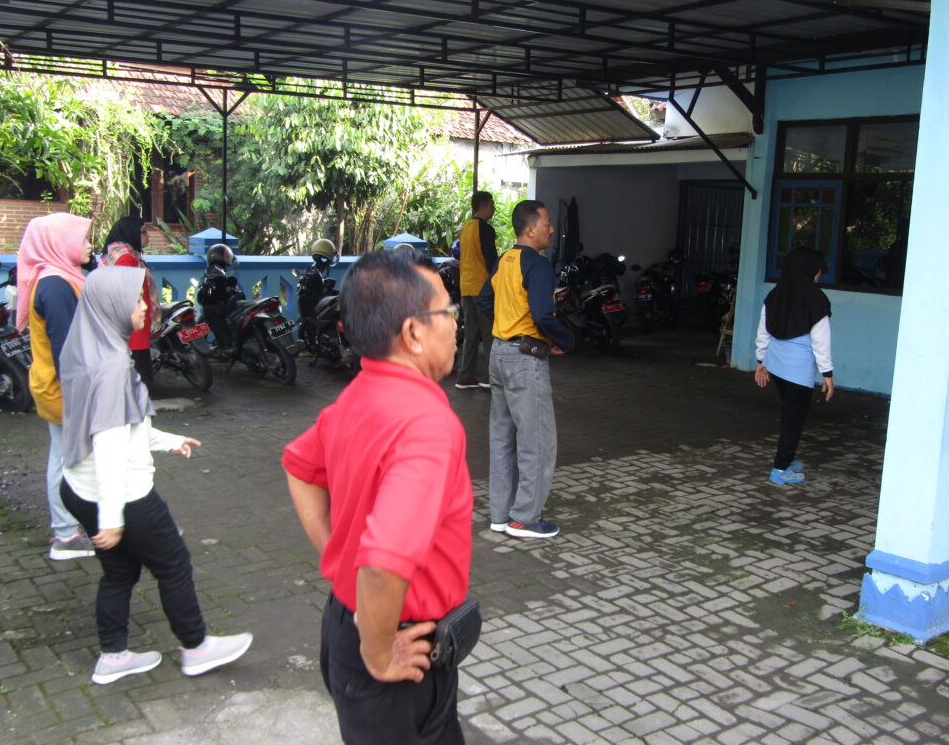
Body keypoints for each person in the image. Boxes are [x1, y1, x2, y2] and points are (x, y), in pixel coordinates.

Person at [283, 248, 473, 745]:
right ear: (413, 333)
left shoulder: (357, 395)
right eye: (448, 310)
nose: (456, 322)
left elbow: (300, 469)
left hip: (349, 628)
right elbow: (383, 561)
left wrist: (337, 555)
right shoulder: (427, 424)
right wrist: (378, 650)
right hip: (394, 652)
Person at [58, 266, 253, 685]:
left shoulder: (87, 350)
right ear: (112, 305)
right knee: (174, 563)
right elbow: (109, 446)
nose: (147, 306)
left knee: (119, 572)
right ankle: (196, 648)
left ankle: (113, 657)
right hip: (120, 494)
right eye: (137, 299)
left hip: (78, 486)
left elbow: (119, 424)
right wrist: (112, 517)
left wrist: (168, 440)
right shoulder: (112, 366)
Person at [477, 200, 574, 539]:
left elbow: (483, 301)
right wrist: (565, 340)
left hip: (498, 355)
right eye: (547, 222)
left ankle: (501, 515)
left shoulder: (504, 260)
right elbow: (544, 314)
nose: (551, 228)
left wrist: (508, 320)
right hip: (524, 359)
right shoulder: (538, 264)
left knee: (502, 439)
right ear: (530, 229)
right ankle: (525, 519)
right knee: (537, 442)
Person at [16, 212, 95, 560]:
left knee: (66, 457)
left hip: (59, 386)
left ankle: (75, 528)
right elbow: (67, 349)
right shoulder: (56, 285)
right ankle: (66, 535)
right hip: (64, 389)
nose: (89, 245)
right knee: (68, 461)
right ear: (60, 242)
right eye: (84, 238)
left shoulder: (61, 278)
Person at [754, 246, 835, 485]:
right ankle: (780, 469)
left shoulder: (775, 294)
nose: (820, 274)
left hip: (776, 365)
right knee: (794, 418)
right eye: (819, 270)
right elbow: (821, 341)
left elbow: (763, 331)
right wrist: (827, 373)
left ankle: (787, 459)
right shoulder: (817, 299)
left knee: (790, 413)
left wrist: (761, 361)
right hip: (798, 370)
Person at [100, 216, 161, 389]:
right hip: (133, 331)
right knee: (140, 382)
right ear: (131, 233)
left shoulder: (115, 253)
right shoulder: (127, 259)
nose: (148, 235)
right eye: (143, 232)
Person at [455, 191, 497, 390]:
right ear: (485, 205)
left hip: (467, 287)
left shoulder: (465, 229)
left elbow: (462, 261)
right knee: (489, 335)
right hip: (483, 288)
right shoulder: (486, 230)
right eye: (492, 205)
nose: (493, 209)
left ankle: (465, 378)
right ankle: (487, 378)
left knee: (471, 334)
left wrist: (462, 293)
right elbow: (491, 261)